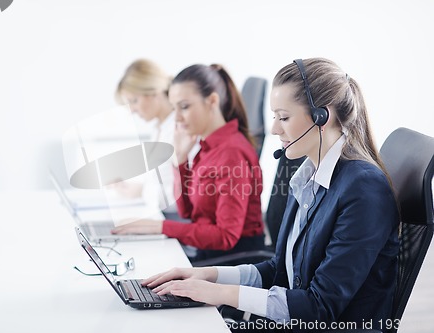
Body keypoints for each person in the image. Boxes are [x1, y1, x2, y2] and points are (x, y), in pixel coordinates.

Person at [139, 58, 400, 331]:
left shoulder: (363, 189)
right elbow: (279, 270)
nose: (275, 128)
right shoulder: (306, 176)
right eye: (274, 116)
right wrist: (208, 276)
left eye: (284, 117)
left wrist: (219, 294)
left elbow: (319, 307)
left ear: (322, 116)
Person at [112, 64, 266, 262]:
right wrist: (180, 162)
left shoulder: (231, 153)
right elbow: (187, 212)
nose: (177, 118)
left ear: (212, 101)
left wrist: (161, 227)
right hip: (207, 253)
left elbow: (226, 236)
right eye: (174, 107)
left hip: (231, 262)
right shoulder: (205, 146)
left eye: (184, 107)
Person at [115, 59, 193, 216]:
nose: (132, 111)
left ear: (154, 92)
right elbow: (161, 180)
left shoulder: (179, 131)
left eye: (134, 101)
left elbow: (178, 196)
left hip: (175, 218)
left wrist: (143, 191)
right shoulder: (159, 127)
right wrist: (136, 189)